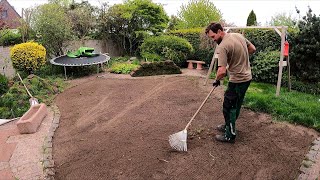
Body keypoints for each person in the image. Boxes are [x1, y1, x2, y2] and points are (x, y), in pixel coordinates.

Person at [205, 22, 256, 143]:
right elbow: (252, 49)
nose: (213, 40)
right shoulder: (238, 36)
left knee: (228, 107)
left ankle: (230, 135)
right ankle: (228, 125)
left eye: (213, 37)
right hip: (247, 78)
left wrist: (217, 80)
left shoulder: (223, 46)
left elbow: (221, 71)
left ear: (219, 31)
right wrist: (238, 58)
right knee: (236, 105)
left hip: (237, 80)